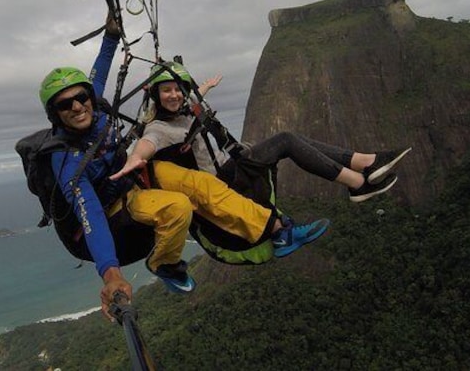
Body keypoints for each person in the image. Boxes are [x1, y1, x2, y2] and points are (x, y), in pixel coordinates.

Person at [37, 19, 331, 319]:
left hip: (132, 178)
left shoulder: (94, 107)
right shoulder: (66, 160)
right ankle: (164, 263)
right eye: (65, 105)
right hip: (113, 210)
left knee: (202, 184)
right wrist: (110, 273)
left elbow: (98, 73)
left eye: (80, 98)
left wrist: (111, 35)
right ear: (55, 114)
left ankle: (278, 231)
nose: (76, 107)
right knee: (178, 207)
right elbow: (91, 214)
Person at [112, 60, 412, 210]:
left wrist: (204, 88)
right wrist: (134, 160)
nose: (175, 95)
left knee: (294, 138)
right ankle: (358, 183)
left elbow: (188, 99)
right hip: (226, 176)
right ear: (155, 95)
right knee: (286, 141)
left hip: (232, 160)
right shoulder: (159, 127)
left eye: (178, 89)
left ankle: (364, 163)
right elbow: (146, 145)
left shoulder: (182, 111)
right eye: (167, 90)